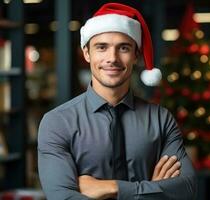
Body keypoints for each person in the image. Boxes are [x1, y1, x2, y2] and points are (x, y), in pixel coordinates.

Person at [38, 3, 198, 200]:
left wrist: (112, 187)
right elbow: (61, 197)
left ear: (136, 55)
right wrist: (152, 190)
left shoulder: (160, 119)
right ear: (87, 53)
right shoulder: (57, 122)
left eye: (123, 48)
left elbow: (187, 189)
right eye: (101, 47)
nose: (112, 58)